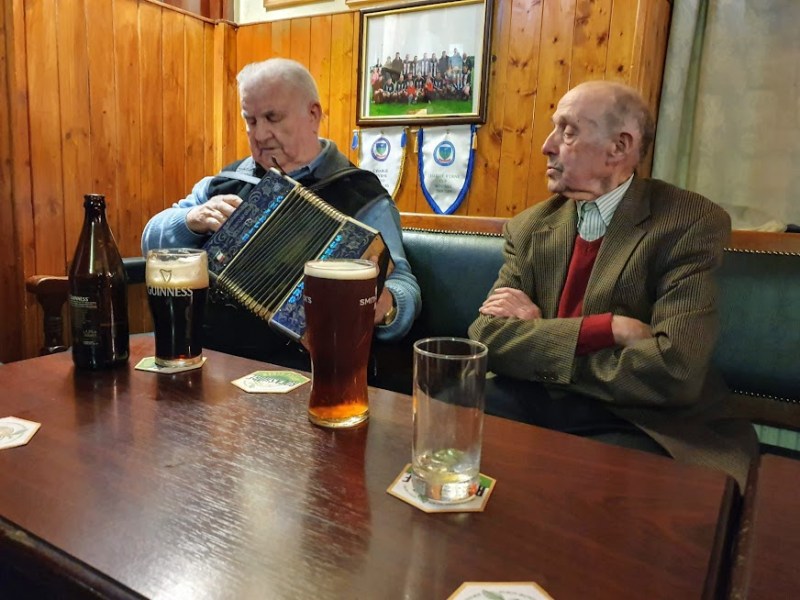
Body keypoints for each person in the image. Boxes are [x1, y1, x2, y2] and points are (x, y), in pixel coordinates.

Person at [468, 80, 757, 490]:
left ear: (619, 148)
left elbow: (675, 370)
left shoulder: (687, 221)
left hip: (638, 419)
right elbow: (487, 337)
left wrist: (538, 337)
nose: (547, 146)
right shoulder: (530, 226)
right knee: (447, 423)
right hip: (537, 404)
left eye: (568, 131)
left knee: (592, 496)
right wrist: (607, 329)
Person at [142, 58, 421, 371]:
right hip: (206, 360)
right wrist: (190, 220)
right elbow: (150, 242)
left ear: (312, 115)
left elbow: (404, 287)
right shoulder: (226, 182)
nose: (259, 135)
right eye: (251, 121)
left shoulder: (362, 196)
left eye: (272, 118)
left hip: (297, 374)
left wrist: (386, 306)